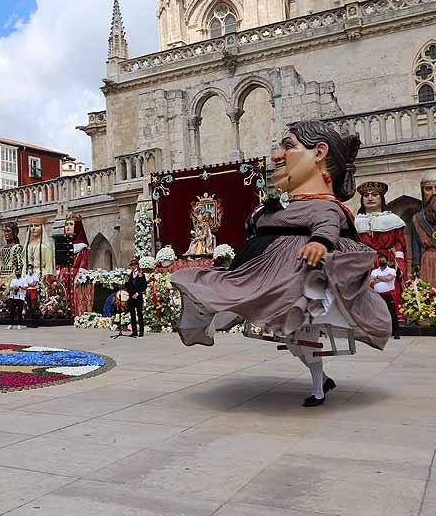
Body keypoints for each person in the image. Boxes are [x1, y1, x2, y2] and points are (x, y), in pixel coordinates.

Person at [171, 120, 391, 407]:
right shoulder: (286, 207)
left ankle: (319, 387)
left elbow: (327, 224)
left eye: (288, 146)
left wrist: (319, 243)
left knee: (298, 335)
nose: (276, 155)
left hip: (296, 277)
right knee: (291, 337)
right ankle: (320, 382)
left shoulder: (325, 206)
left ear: (320, 152)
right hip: (264, 272)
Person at [355, 181, 408, 321]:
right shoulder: (355, 221)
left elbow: (400, 244)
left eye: (374, 195)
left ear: (381, 198)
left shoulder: (393, 220)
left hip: (387, 261)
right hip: (364, 261)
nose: (370, 198)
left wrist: (399, 263)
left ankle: (394, 317)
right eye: (366, 195)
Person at [370, 255, 401, 339]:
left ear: (387, 261)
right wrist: (382, 278)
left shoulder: (392, 270)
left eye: (383, 261)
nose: (382, 262)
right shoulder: (374, 271)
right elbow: (371, 280)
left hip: (388, 295)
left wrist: (378, 278)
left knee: (392, 314)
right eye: (380, 261)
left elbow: (389, 278)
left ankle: (396, 332)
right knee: (378, 314)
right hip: (377, 295)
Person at [125, 259, 147, 337]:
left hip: (138, 296)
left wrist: (137, 293)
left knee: (139, 313)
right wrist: (126, 281)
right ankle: (134, 331)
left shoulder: (141, 274)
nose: (133, 266)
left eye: (135, 265)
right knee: (132, 314)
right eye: (132, 265)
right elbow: (127, 287)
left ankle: (141, 331)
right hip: (131, 296)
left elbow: (144, 286)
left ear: (137, 265)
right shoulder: (130, 274)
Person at [24, 264, 40, 328]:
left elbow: (34, 284)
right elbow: (25, 285)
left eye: (30, 268)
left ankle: (35, 322)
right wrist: (30, 284)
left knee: (34, 307)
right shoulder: (26, 276)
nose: (29, 270)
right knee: (29, 307)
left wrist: (29, 284)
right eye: (28, 268)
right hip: (28, 292)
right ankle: (29, 322)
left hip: (33, 291)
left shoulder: (36, 275)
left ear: (33, 269)